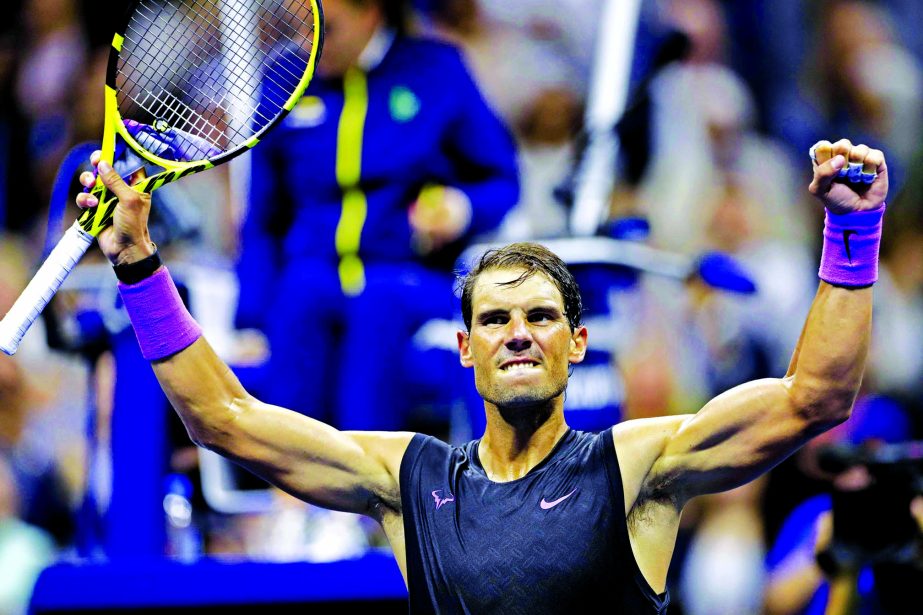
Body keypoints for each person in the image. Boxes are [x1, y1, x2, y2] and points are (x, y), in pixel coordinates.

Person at [77, 137, 886, 612]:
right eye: (495, 320)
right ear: (466, 349)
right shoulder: (406, 475)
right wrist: (141, 267)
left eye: (538, 317)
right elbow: (223, 419)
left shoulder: (638, 464)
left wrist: (853, 234)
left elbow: (813, 397)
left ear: (577, 342)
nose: (518, 334)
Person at [234, 0, 519, 430]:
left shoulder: (436, 69)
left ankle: (370, 481)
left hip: (410, 273)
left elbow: (502, 181)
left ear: (371, 12)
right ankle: (289, 489)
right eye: (304, 29)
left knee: (378, 303)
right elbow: (263, 220)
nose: (313, 45)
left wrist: (460, 209)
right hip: (313, 272)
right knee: (298, 296)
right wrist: (250, 319)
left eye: (328, 29)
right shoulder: (284, 80)